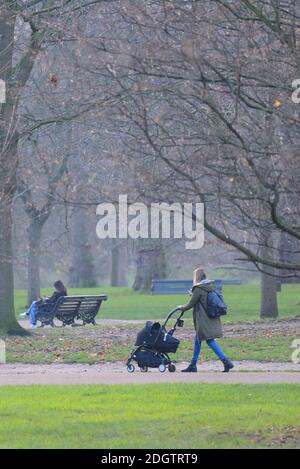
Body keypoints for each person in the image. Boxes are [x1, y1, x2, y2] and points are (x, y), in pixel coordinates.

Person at [178, 268, 234, 373]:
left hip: (204, 320)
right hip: (210, 317)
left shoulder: (198, 288)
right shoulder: (209, 286)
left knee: (209, 340)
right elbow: (202, 299)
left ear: (197, 277)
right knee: (197, 340)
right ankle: (193, 365)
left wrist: (181, 307)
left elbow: (191, 303)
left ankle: (226, 362)